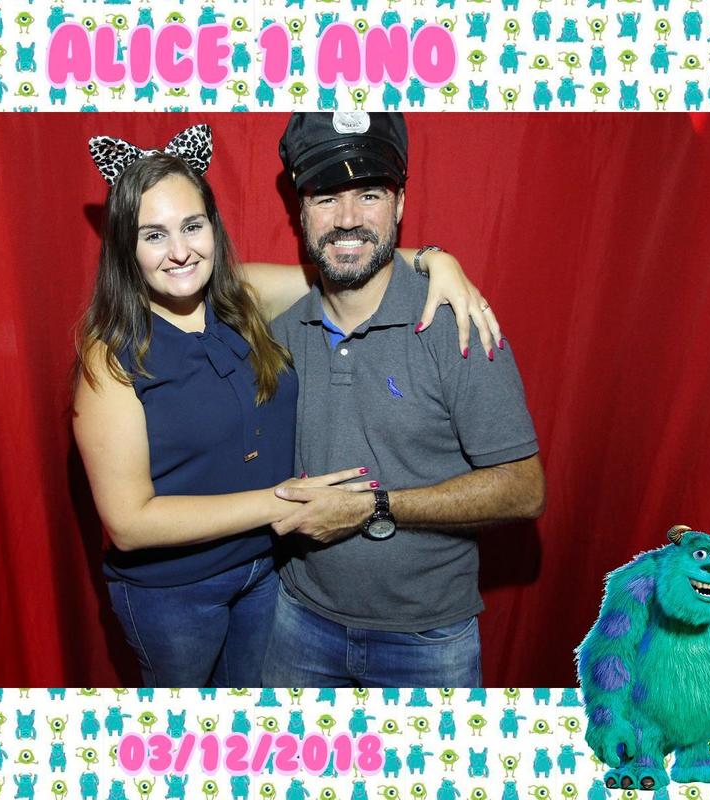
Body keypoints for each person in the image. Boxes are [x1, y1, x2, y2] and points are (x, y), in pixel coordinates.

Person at [73, 123, 499, 687]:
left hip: (267, 575)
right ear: (126, 247)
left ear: (213, 226)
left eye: (192, 226)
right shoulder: (110, 355)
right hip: (175, 592)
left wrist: (436, 260)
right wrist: (288, 500)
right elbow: (129, 523)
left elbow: (351, 262)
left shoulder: (241, 295)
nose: (179, 252)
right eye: (154, 235)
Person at [263, 112, 546, 688]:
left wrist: (377, 506)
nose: (347, 219)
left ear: (399, 205)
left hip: (427, 640)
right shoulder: (280, 332)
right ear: (301, 210)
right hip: (298, 622)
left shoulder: (456, 323)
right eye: (325, 197)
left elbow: (525, 489)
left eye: (369, 194)